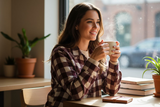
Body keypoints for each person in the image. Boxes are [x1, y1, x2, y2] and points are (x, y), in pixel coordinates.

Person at [45, 2, 121, 107]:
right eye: (90, 22)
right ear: (76, 25)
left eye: (98, 22)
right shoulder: (61, 53)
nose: (96, 27)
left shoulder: (94, 51)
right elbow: (76, 93)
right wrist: (93, 60)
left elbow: (111, 91)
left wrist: (113, 61)